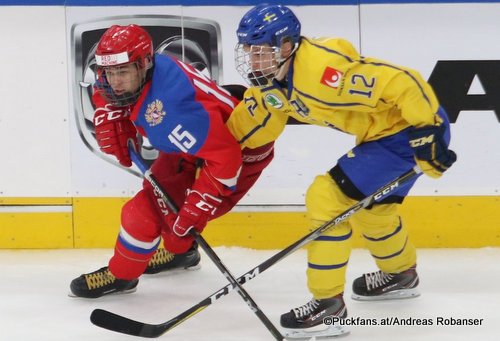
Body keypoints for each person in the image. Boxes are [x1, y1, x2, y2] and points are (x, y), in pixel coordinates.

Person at [232, 4, 457, 338]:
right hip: (384, 135)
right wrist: (212, 151)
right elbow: (255, 121)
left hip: (409, 130)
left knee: (326, 196)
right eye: (248, 50)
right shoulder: (274, 81)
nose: (252, 59)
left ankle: (328, 305)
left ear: (285, 46)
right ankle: (400, 275)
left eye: (260, 50)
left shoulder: (324, 72)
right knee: (376, 212)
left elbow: (404, 82)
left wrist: (429, 130)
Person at [70, 24, 275, 298]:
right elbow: (104, 88)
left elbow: (226, 160)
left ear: (143, 64)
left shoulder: (173, 108)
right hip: (196, 144)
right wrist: (109, 110)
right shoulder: (141, 73)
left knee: (163, 220)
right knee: (145, 214)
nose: (113, 82)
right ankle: (157, 263)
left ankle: (169, 255)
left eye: (121, 72)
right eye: (108, 72)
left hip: (237, 156)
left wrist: (196, 209)